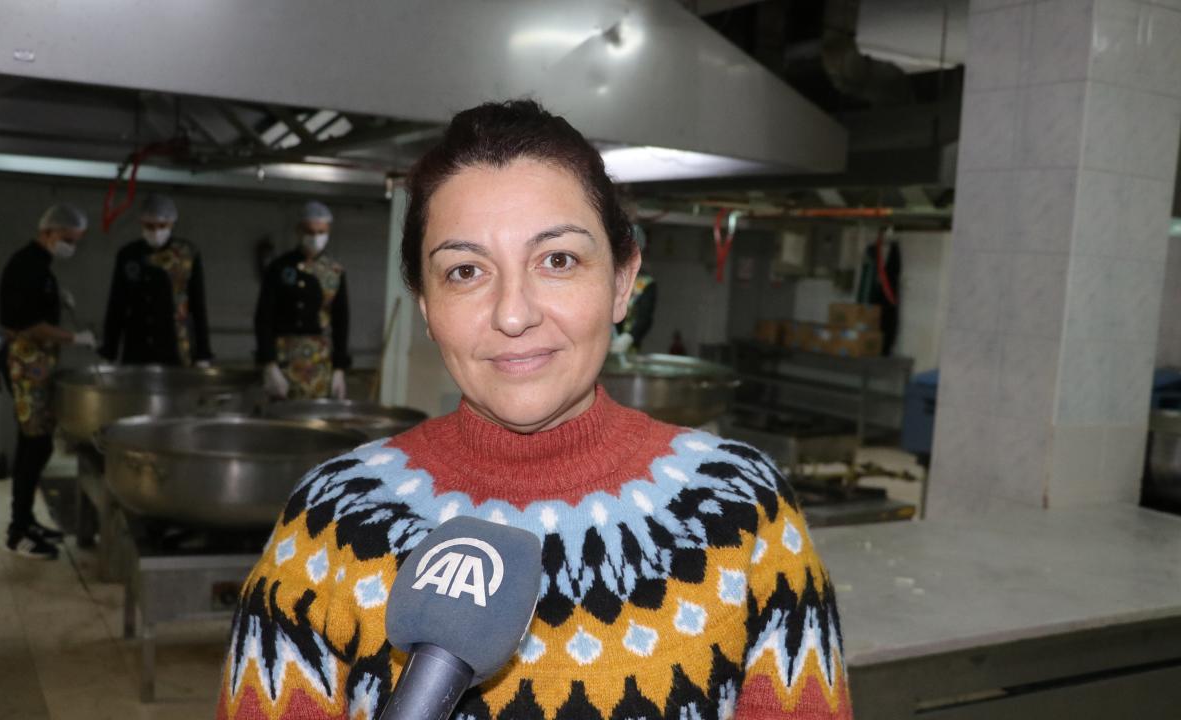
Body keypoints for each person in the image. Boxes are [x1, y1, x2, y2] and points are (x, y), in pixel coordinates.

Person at [217, 101, 851, 719]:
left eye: (558, 260)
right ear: (427, 307)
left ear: (622, 282)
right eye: (465, 271)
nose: (513, 314)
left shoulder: (744, 509)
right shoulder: (329, 521)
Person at [0, 204, 97, 560]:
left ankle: (27, 521)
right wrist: (74, 338)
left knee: (39, 445)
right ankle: (18, 532)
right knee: (34, 445)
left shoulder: (40, 266)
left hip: (39, 364)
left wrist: (55, 298)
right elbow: (28, 325)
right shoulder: (27, 265)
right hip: (27, 364)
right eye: (69, 239)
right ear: (49, 232)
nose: (72, 246)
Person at [99, 193, 213, 366]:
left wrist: (203, 354)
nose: (156, 231)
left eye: (162, 226)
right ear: (141, 223)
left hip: (175, 346)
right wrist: (109, 351)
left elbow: (198, 306)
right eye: (149, 226)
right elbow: (117, 305)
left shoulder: (186, 254)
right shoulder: (129, 255)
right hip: (137, 346)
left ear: (172, 224)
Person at [253, 201, 350, 399]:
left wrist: (339, 369)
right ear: (299, 231)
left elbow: (341, 321)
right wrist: (269, 363)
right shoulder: (280, 268)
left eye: (321, 232)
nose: (315, 238)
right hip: (284, 358)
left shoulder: (334, 271)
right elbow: (263, 317)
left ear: (329, 231)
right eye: (310, 231)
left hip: (320, 360)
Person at [611, 224, 655, 353]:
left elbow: (645, 318)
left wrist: (629, 337)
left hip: (626, 350)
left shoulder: (646, 284)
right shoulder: (605, 276)